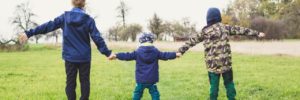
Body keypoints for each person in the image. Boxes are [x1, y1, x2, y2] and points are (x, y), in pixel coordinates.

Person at [18, 0, 115, 100]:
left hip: (70, 58)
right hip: (84, 58)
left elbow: (47, 26)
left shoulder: (64, 18)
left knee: (70, 83)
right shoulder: (88, 19)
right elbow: (97, 38)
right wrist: (107, 53)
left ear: (72, 3)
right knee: (85, 82)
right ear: (84, 3)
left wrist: (29, 33)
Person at [177, 8, 265, 100]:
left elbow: (191, 41)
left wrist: (180, 51)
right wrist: (257, 33)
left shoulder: (205, 32)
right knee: (229, 84)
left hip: (212, 66)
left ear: (208, 18)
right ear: (219, 17)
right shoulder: (225, 28)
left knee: (213, 88)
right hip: (226, 64)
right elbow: (241, 30)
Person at [109, 33, 182, 100]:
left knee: (137, 93)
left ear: (141, 41)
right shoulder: (156, 52)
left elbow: (127, 56)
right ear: (151, 41)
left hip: (140, 80)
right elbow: (165, 55)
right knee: (154, 93)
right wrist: (175, 54)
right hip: (152, 80)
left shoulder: (137, 52)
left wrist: (116, 55)